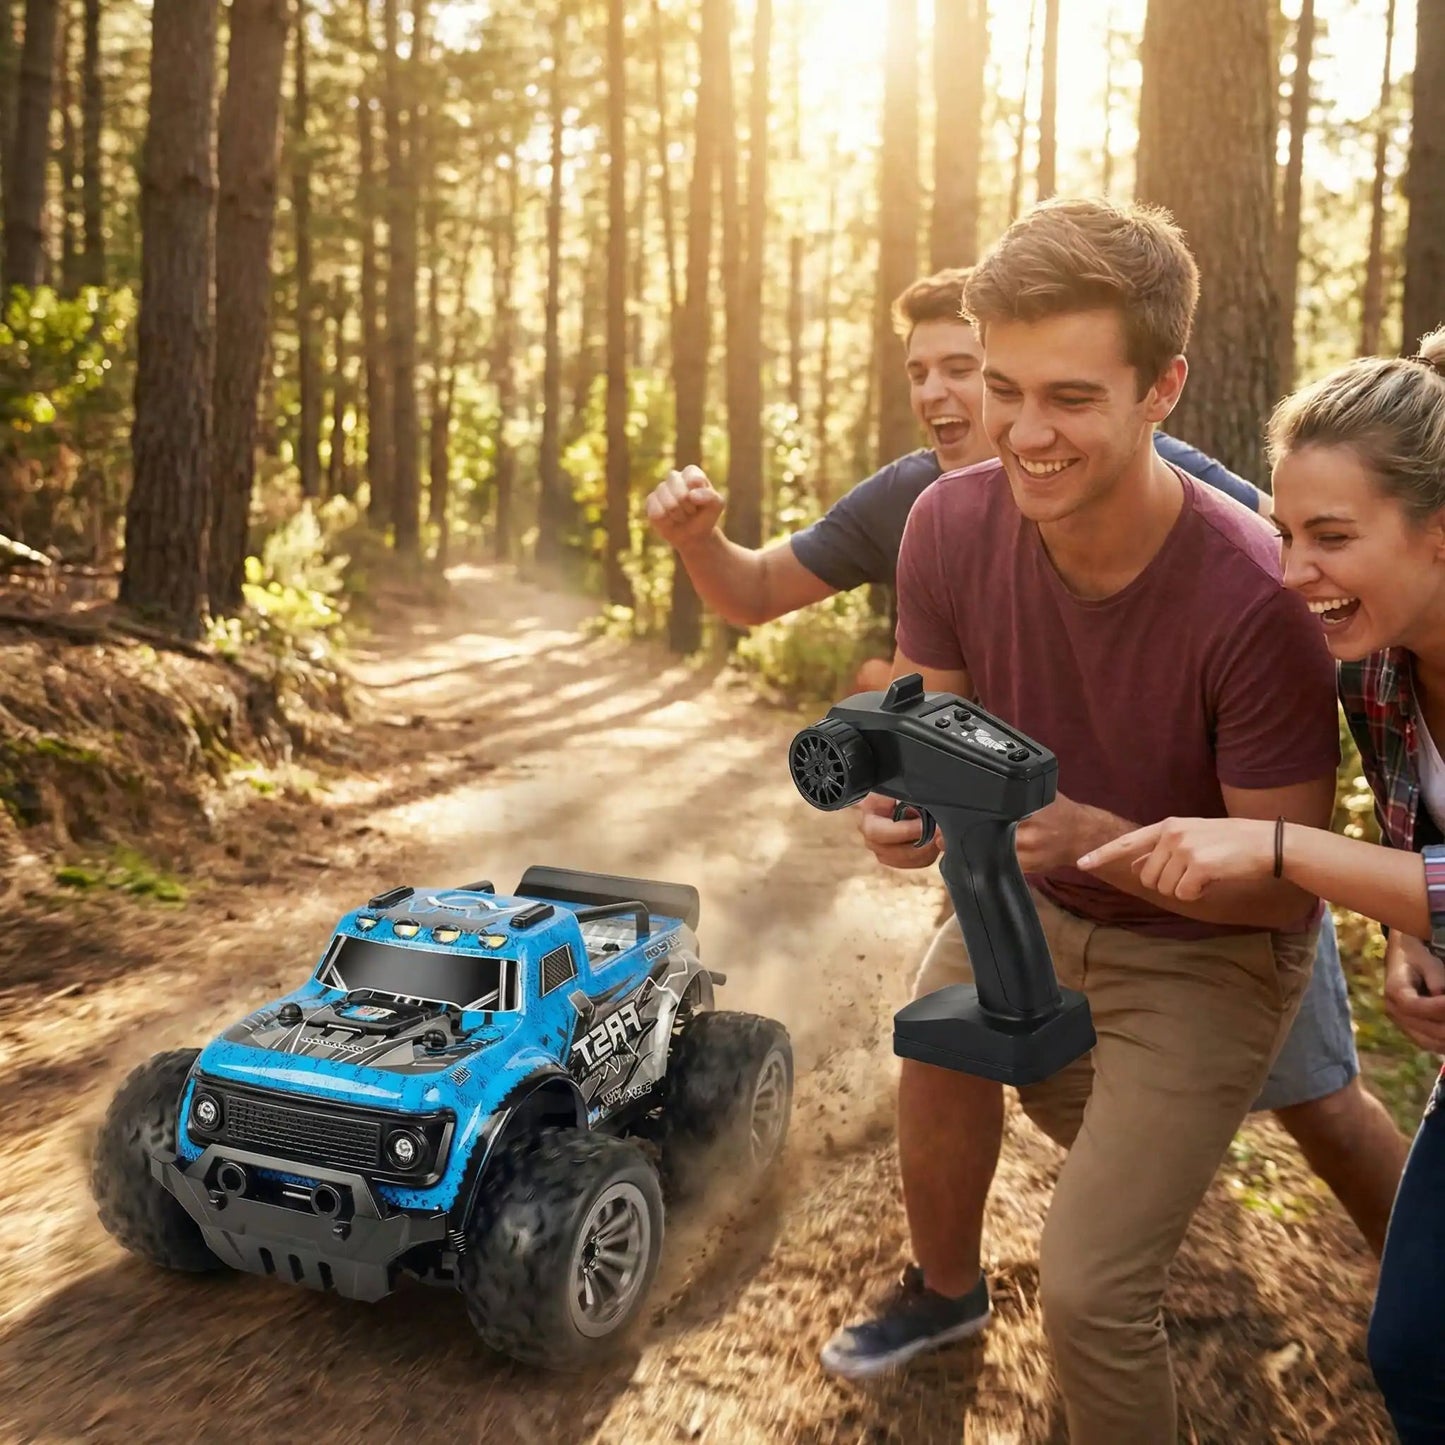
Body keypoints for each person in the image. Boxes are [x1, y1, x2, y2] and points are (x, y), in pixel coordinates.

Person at [646, 271, 1407, 1281]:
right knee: (960, 1034)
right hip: (1034, 851)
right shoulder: (913, 497)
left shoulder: (1169, 487)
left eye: (966, 368)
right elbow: (753, 595)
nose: (950, 398)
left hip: (1219, 862)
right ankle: (954, 1287)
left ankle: (1412, 1292)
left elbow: (1323, 591)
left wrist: (1394, 908)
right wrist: (703, 543)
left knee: (1319, 1105)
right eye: (928, 373)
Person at [826, 196, 1345, 1443]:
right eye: (1003, 389)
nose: (1020, 431)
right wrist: (896, 803)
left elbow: (1280, 889)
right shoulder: (947, 524)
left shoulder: (1255, 599)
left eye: (1069, 397)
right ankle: (945, 1292)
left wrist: (1097, 831)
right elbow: (927, 726)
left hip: (1206, 952)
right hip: (1026, 902)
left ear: (1161, 387)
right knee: (941, 1037)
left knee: (1089, 1288)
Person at [1077, 337, 1445, 1442]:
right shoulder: (1374, 671)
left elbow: (1329, 859)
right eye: (1286, 536)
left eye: (1330, 538)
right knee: (1414, 1350)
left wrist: (1279, 850)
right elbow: (1411, 851)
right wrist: (1400, 942)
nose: (1291, 575)